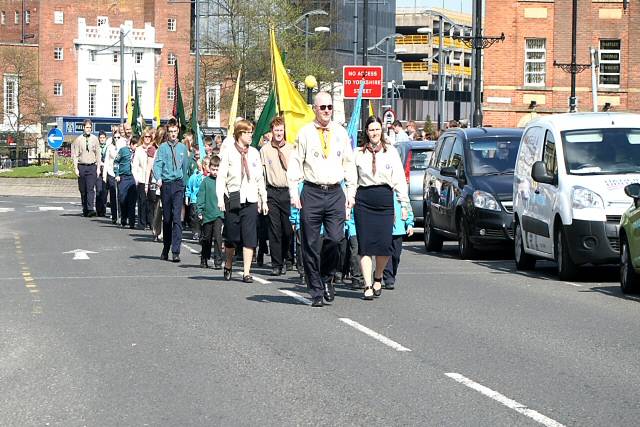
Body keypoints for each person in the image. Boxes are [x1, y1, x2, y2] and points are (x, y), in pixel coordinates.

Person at [287, 91, 357, 307]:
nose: (327, 111)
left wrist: (351, 194)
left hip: (336, 191)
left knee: (336, 239)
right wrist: (293, 194)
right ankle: (316, 289)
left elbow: (349, 163)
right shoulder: (306, 133)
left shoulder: (340, 133)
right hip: (312, 191)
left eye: (329, 107)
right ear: (314, 109)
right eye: (323, 107)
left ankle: (327, 277)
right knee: (309, 242)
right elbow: (295, 163)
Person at [353, 116, 409, 300]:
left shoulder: (390, 151)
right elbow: (352, 180)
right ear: (366, 132)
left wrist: (404, 204)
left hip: (385, 200)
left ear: (381, 131)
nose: (374, 133)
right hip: (364, 200)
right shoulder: (358, 153)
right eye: (371, 130)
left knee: (385, 246)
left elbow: (399, 178)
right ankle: (367, 284)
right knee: (365, 245)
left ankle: (378, 277)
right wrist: (349, 201)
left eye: (377, 129)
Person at [216, 119, 268, 283]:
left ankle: (246, 272)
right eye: (247, 132)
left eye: (251, 132)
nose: (250, 135)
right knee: (232, 237)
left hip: (250, 198)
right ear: (240, 134)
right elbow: (221, 177)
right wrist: (220, 198)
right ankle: (229, 263)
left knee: (250, 236)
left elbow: (259, 177)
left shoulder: (254, 153)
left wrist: (263, 199)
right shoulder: (229, 152)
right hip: (233, 197)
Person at [260, 116, 294, 276]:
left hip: (288, 192)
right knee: (275, 229)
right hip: (272, 192)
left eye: (281, 130)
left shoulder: (292, 149)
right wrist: (262, 197)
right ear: (271, 131)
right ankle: (276, 263)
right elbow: (262, 174)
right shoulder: (265, 150)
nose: (279, 133)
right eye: (276, 130)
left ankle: (288, 257)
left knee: (288, 230)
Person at [153, 118, 190, 262]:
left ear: (178, 132)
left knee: (177, 219)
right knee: (167, 219)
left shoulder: (182, 148)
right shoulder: (162, 148)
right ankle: (166, 248)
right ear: (167, 133)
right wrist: (158, 178)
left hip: (178, 184)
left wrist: (184, 186)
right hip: (166, 184)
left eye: (175, 132)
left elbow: (185, 168)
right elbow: (157, 165)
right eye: (171, 132)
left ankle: (176, 251)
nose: (173, 134)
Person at [197, 156, 225, 269]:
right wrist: (200, 210)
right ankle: (204, 258)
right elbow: (201, 197)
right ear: (209, 168)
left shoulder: (222, 181)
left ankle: (218, 261)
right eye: (213, 169)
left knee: (218, 238)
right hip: (207, 214)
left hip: (219, 213)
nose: (215, 172)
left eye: (217, 169)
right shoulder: (205, 182)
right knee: (206, 238)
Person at [383, 194, 414, 290]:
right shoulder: (384, 191)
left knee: (396, 256)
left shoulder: (401, 193)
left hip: (399, 229)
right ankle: (388, 278)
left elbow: (407, 207)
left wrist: (409, 224)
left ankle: (391, 273)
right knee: (386, 254)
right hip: (385, 229)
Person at [71, 119, 101, 217]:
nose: (88, 129)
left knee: (90, 189)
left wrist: (98, 168)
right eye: (86, 127)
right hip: (82, 166)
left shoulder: (95, 139)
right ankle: (85, 207)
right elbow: (75, 155)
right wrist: (76, 168)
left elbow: (98, 154)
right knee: (83, 190)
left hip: (92, 166)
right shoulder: (78, 140)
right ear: (83, 128)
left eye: (89, 127)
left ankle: (90, 208)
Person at [114, 136, 138, 229]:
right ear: (131, 144)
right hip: (123, 177)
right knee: (123, 199)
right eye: (135, 145)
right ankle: (123, 218)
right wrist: (117, 174)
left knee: (132, 201)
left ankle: (131, 222)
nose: (136, 148)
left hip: (133, 178)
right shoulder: (123, 151)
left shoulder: (138, 152)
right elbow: (116, 161)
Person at [102, 126, 125, 224]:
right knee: (113, 194)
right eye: (115, 137)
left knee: (121, 195)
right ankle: (114, 216)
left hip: (121, 172)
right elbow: (107, 160)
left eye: (118, 137)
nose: (116, 139)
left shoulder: (124, 147)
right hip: (111, 172)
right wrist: (104, 175)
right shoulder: (110, 147)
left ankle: (121, 215)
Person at [132, 127, 154, 230]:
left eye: (149, 137)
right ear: (142, 137)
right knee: (142, 201)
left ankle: (151, 222)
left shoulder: (153, 149)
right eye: (146, 136)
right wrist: (136, 179)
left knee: (151, 201)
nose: (147, 138)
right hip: (141, 178)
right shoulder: (139, 150)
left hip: (151, 179)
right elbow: (135, 166)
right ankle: (142, 223)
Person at [186, 154, 206, 240]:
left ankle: (201, 232)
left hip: (202, 200)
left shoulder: (205, 176)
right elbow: (189, 187)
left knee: (201, 216)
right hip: (194, 199)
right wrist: (187, 197)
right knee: (194, 217)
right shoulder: (194, 176)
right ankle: (195, 232)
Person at [95, 131, 109, 217]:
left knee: (104, 192)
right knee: (98, 190)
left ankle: (103, 210)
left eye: (103, 138)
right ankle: (98, 209)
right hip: (99, 171)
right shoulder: (97, 147)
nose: (102, 139)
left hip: (106, 171)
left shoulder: (108, 147)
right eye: (101, 138)